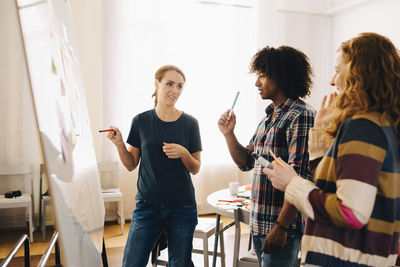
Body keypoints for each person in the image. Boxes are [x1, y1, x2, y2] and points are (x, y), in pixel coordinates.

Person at [265, 32, 400, 267]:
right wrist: (319, 152)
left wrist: (292, 183)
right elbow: (346, 189)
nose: (331, 81)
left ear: (359, 72)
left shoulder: (363, 126)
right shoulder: (384, 123)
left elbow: (351, 213)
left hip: (345, 258)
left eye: (337, 70)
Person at [218, 45, 316, 267]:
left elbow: (299, 178)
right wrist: (229, 134)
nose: (256, 83)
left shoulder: (301, 116)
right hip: (259, 223)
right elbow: (246, 162)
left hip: (281, 227)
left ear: (281, 76)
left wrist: (281, 228)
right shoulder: (268, 118)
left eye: (262, 75)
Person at [106, 65, 202, 267]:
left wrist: (184, 153)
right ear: (156, 83)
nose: (174, 90)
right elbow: (131, 164)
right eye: (169, 84)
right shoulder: (140, 121)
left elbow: (195, 168)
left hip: (182, 207)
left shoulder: (190, 124)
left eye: (179, 86)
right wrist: (119, 144)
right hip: (147, 207)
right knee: (131, 263)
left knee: (180, 264)